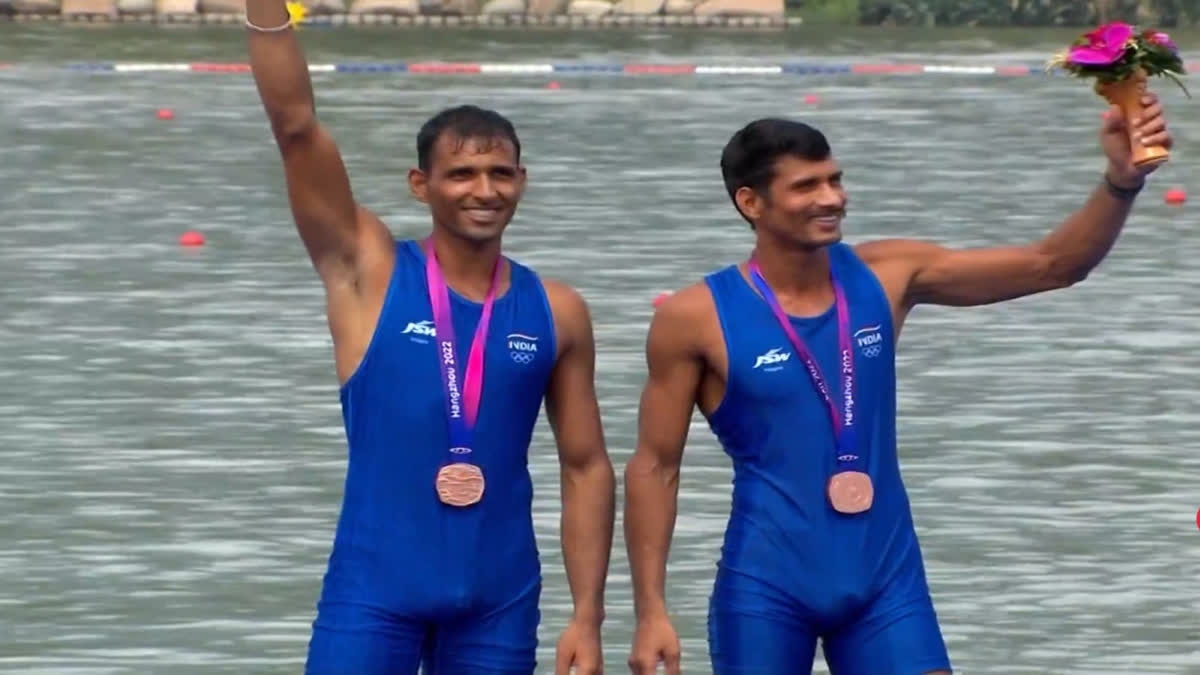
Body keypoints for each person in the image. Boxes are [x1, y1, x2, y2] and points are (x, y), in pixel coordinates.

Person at [623, 96, 1172, 675]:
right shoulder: (696, 317)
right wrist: (651, 611)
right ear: (750, 202)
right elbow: (655, 466)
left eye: (835, 179)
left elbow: (1054, 265)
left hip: (887, 583)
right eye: (807, 186)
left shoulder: (888, 275)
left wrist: (1120, 182)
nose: (833, 198)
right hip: (765, 586)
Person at [244, 3, 616, 673]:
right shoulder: (368, 272)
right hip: (374, 593)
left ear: (521, 183)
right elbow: (296, 128)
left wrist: (587, 615)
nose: (485, 190)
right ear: (422, 185)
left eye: (501, 173)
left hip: (500, 600)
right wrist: (265, 10)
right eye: (463, 174)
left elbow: (585, 465)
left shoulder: (557, 309)